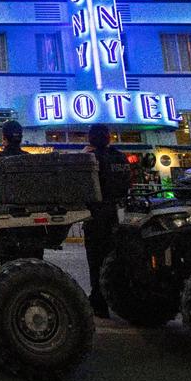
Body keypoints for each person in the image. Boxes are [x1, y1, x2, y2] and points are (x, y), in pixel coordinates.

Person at [83, 123, 132, 318]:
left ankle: (99, 302)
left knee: (96, 260)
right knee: (117, 258)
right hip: (119, 213)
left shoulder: (92, 158)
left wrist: (83, 156)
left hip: (98, 215)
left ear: (90, 138)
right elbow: (128, 182)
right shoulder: (121, 158)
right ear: (109, 137)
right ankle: (121, 299)